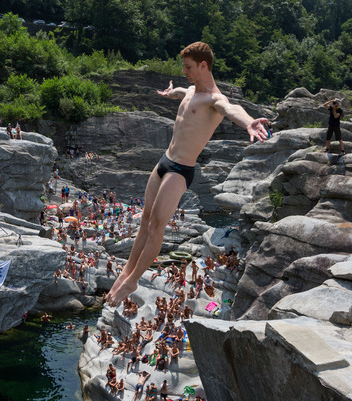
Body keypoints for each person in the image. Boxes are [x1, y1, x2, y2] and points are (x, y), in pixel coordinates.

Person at [105, 42, 268, 306]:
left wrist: (249, 121)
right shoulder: (191, 90)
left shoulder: (215, 99)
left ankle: (133, 280)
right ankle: (125, 272)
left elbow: (232, 110)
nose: (184, 70)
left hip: (181, 170)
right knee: (145, 220)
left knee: (157, 225)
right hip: (163, 161)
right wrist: (173, 93)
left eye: (188, 67)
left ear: (204, 65)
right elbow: (185, 91)